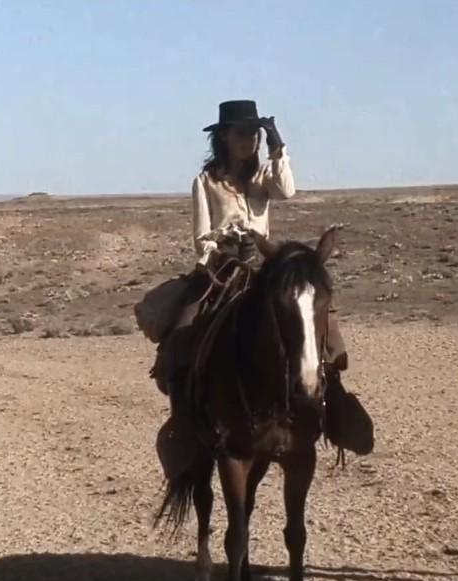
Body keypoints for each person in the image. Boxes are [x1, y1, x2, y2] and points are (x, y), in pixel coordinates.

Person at [143, 100, 372, 480]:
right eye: (241, 133)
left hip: (265, 265)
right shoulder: (206, 181)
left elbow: (288, 190)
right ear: (224, 137)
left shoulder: (263, 177)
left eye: (254, 133)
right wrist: (228, 244)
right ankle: (183, 421)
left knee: (320, 320)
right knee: (184, 327)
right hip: (223, 266)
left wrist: (278, 147)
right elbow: (202, 239)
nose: (248, 140)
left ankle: (334, 406)